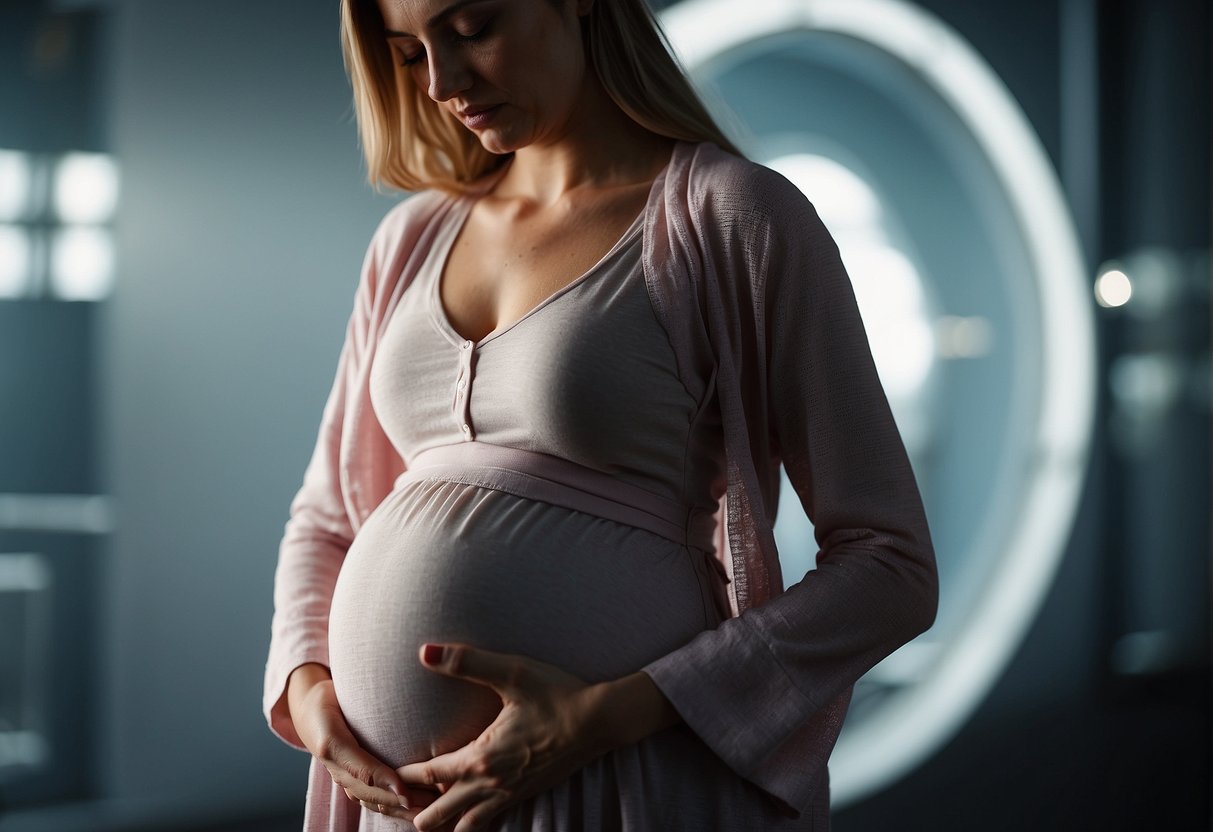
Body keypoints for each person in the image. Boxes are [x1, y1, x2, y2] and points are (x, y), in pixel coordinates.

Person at [262, 0, 940, 829]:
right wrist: (312, 690)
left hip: (617, 782)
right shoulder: (410, 239)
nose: (442, 83)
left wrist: (605, 716)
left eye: (473, 29)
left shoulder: (733, 217)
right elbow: (326, 518)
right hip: (395, 802)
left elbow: (890, 568)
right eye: (409, 54)